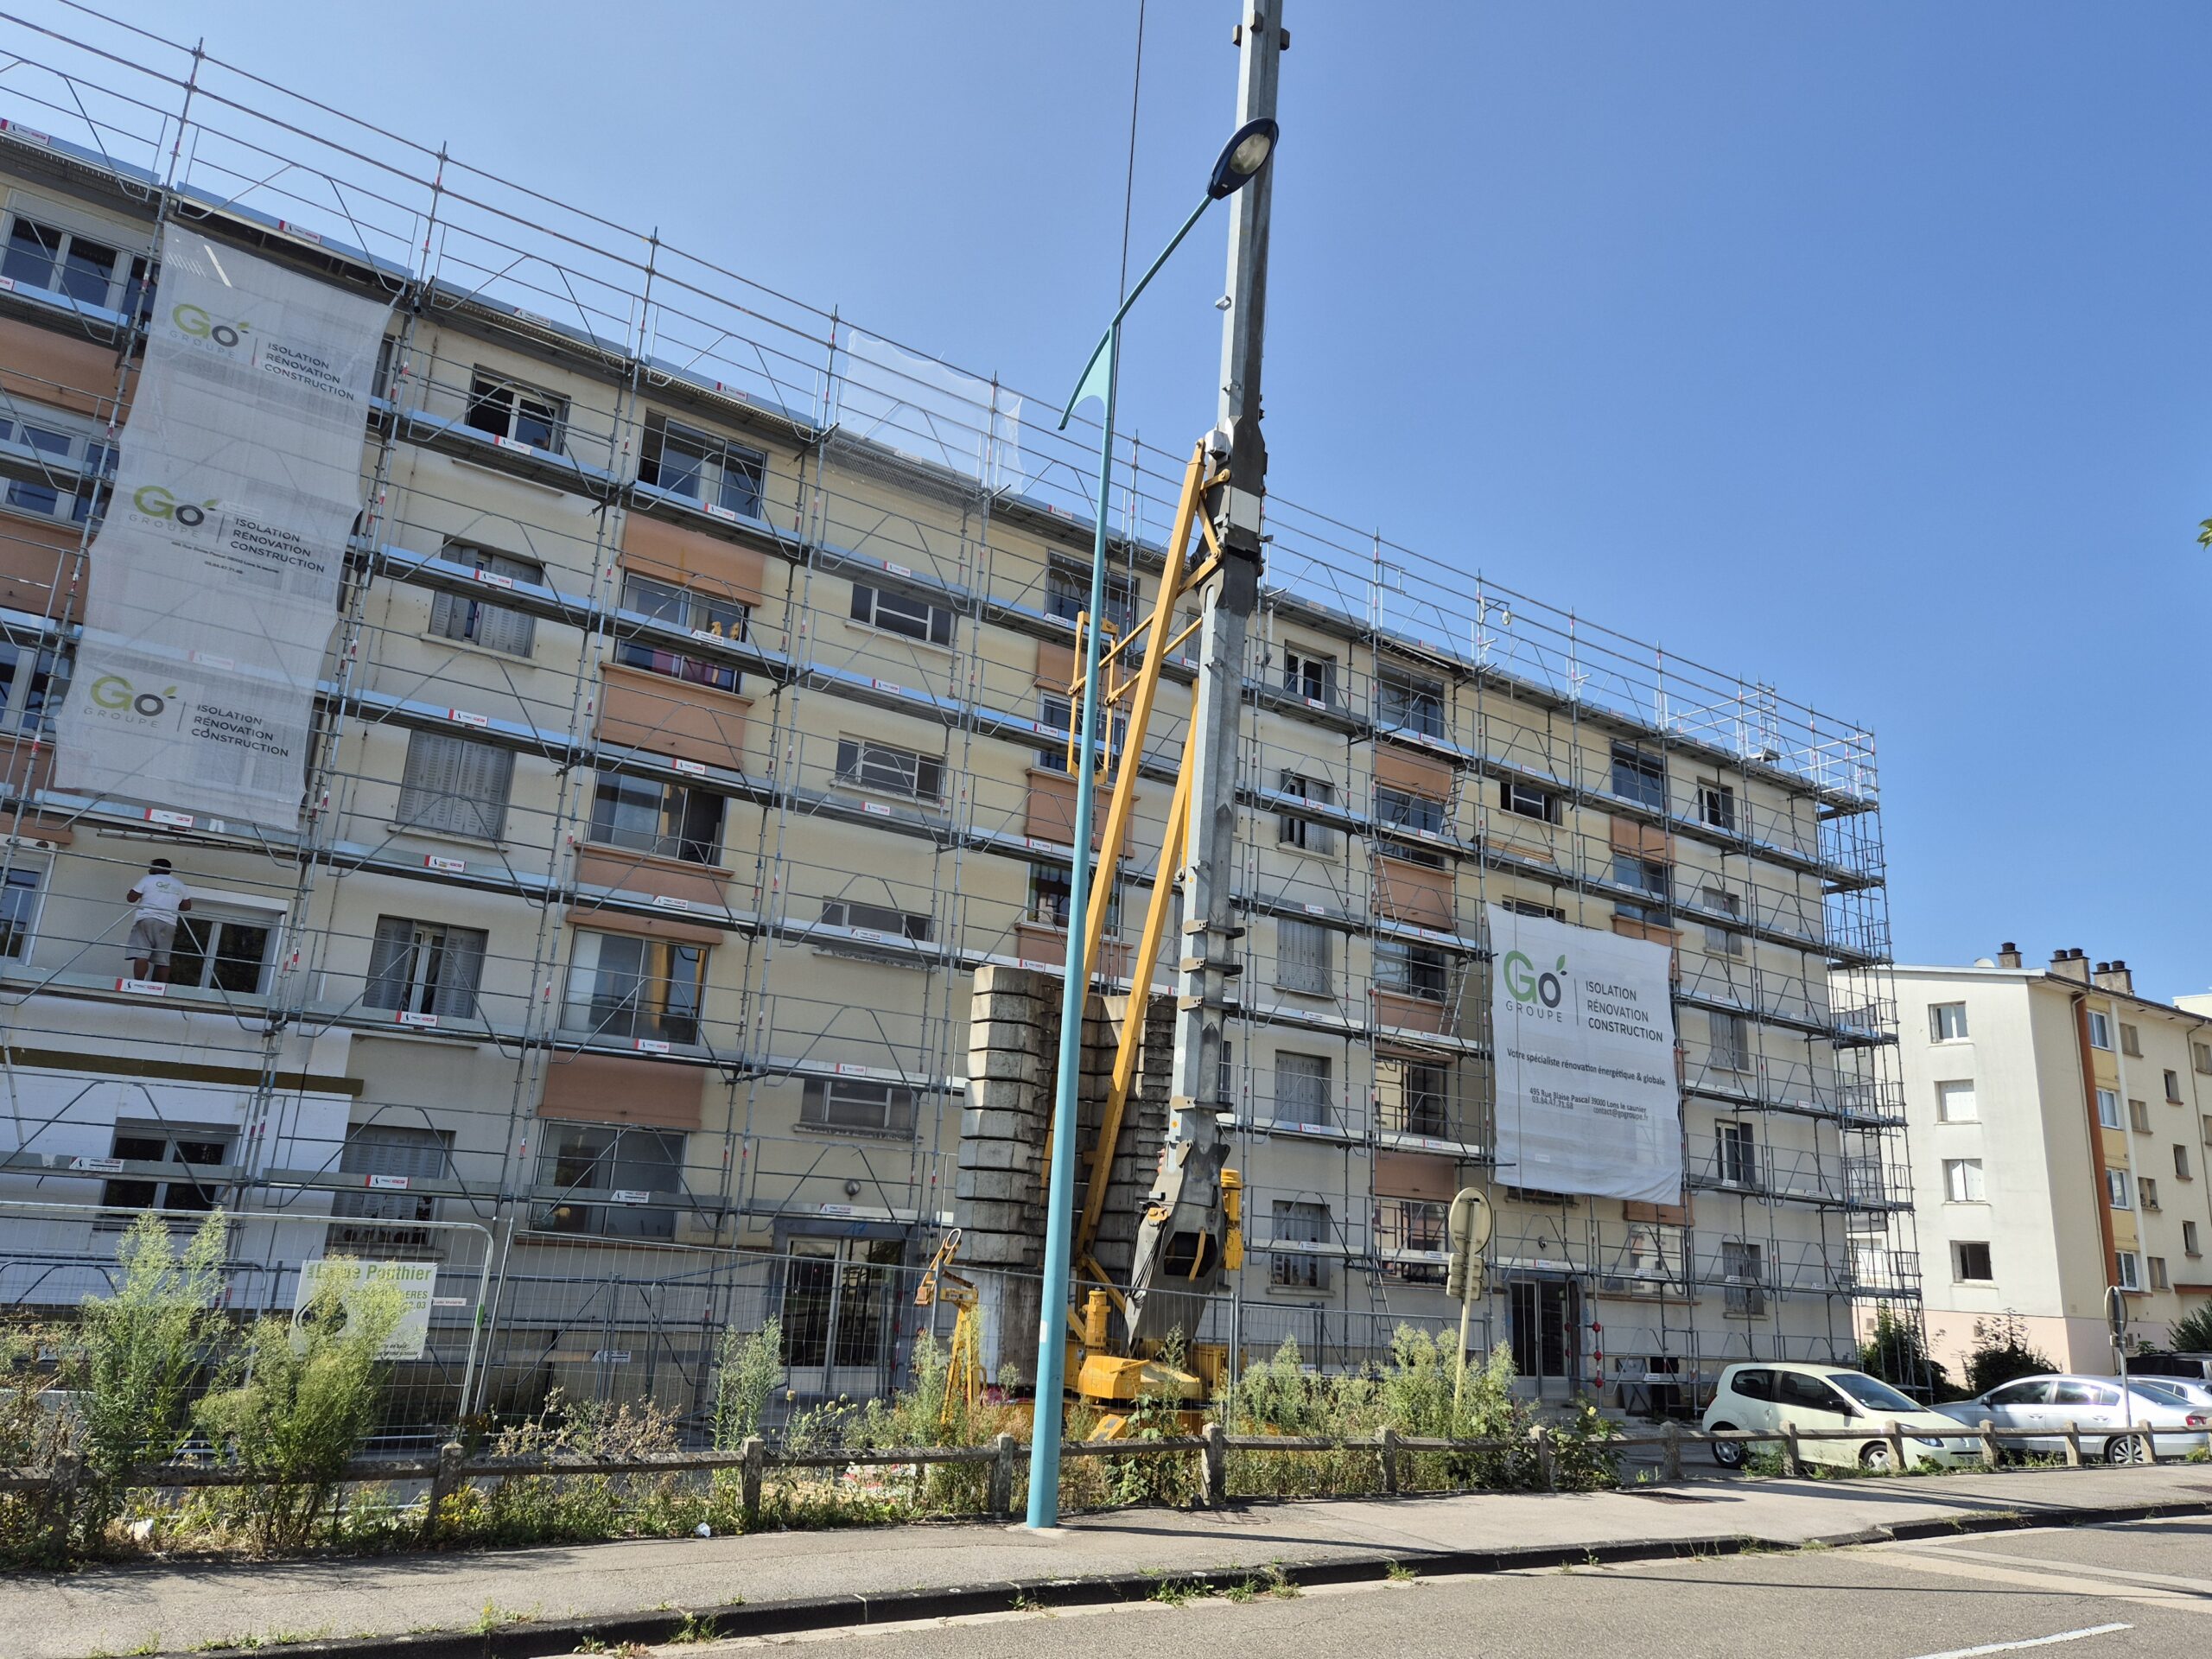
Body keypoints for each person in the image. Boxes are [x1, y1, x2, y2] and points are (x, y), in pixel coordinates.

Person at [125, 857, 192, 983]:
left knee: (141, 954)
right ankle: (161, 988)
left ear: (157, 868)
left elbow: (131, 898)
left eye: (151, 867)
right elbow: (187, 906)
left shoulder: (148, 879)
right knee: (163, 959)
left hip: (147, 919)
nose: (149, 869)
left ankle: (138, 984)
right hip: (169, 924)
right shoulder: (179, 884)